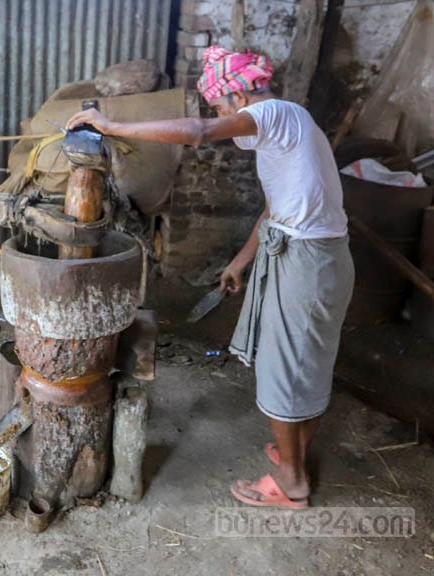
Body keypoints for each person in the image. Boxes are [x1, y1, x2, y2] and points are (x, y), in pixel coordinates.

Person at [67, 45, 354, 509]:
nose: (218, 114)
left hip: (308, 264)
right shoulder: (287, 132)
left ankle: (292, 482)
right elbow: (274, 209)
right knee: (303, 364)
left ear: (239, 95)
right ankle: (291, 451)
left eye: (219, 104)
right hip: (307, 257)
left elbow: (199, 133)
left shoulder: (276, 113)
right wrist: (241, 262)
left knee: (288, 370)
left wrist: (110, 125)